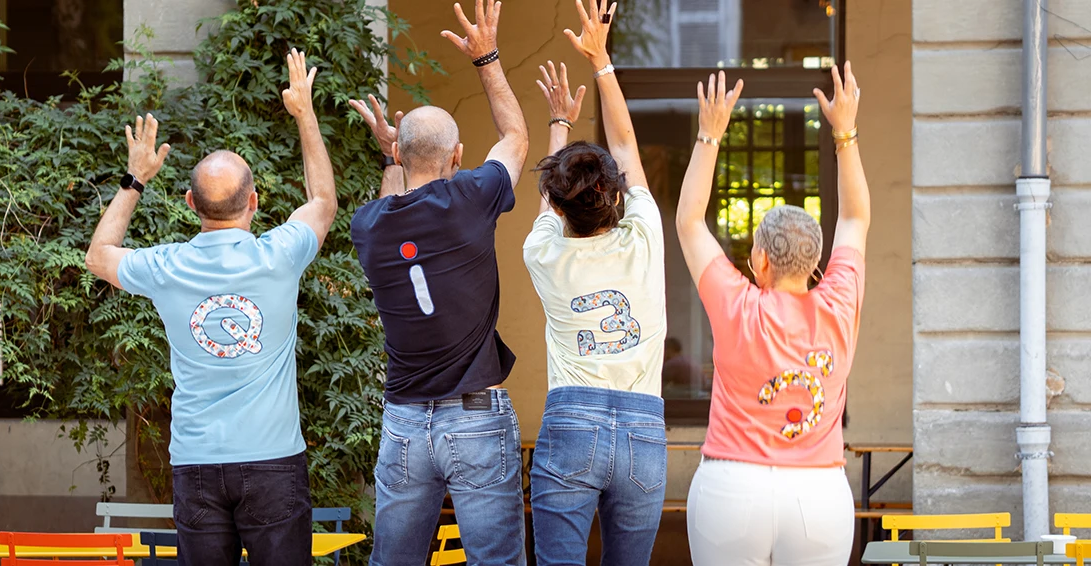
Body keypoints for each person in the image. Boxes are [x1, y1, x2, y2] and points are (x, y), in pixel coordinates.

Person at [83, 50, 336, 566]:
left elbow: (98, 255)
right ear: (256, 202)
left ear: (190, 204)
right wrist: (304, 113)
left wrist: (135, 180)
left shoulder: (166, 267)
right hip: (272, 463)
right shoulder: (279, 255)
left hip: (196, 465)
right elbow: (324, 199)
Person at [345, 1, 529, 564]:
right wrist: (486, 57)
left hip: (403, 419)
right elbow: (517, 136)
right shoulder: (471, 197)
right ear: (459, 156)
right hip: (473, 416)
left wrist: (390, 155)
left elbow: (390, 200)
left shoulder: (368, 227)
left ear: (397, 153)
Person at [675, 62, 868, 566]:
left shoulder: (736, 303)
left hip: (731, 490)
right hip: (820, 495)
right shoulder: (841, 298)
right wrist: (844, 132)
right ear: (817, 263)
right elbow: (854, 217)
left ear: (759, 260)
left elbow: (690, 220)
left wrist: (709, 134)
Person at [521, 1, 669, 563]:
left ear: (558, 209)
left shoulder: (544, 252)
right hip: (642, 425)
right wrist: (601, 61)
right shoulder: (645, 236)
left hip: (570, 420)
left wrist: (559, 122)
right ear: (616, 196)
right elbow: (626, 144)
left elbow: (551, 194)